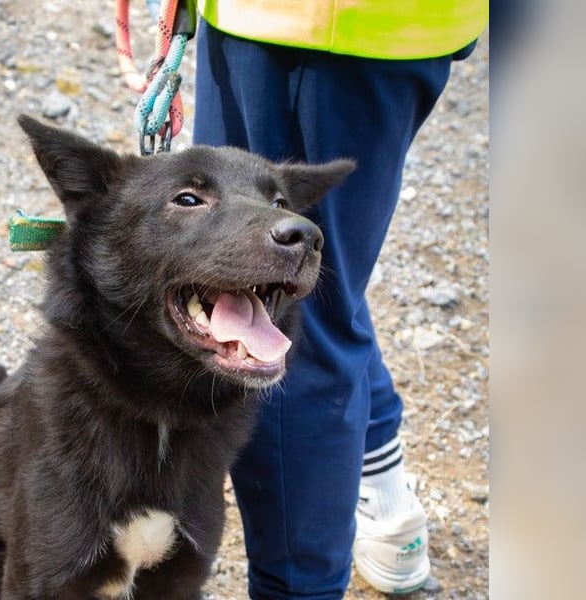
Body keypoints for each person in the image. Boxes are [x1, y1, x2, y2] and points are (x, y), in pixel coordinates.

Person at [191, 2, 488, 598]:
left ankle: (302, 588)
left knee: (280, 314)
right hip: (390, 26)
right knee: (319, 292)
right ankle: (384, 499)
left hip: (305, 26)